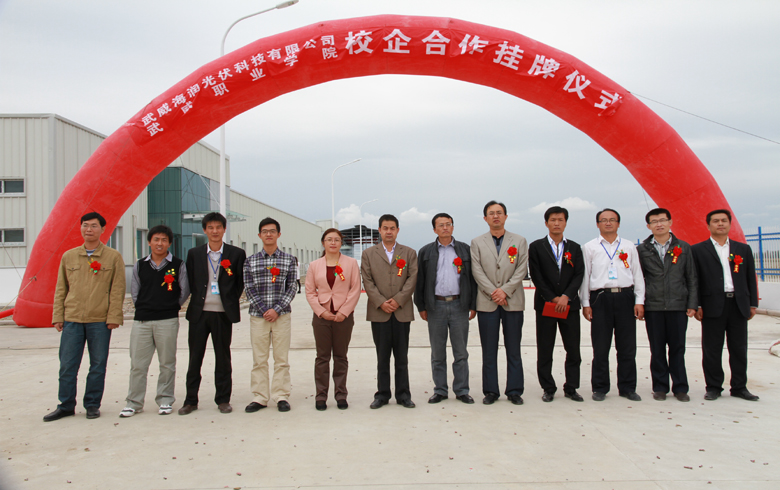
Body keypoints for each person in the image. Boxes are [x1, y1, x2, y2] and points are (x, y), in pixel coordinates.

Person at [44, 212, 126, 422]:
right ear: (80, 228)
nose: (89, 229)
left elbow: (117, 289)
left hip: (99, 321)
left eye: (94, 226)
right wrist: (58, 316)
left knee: (98, 365)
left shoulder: (113, 257)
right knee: (67, 365)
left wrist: (114, 316)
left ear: (102, 229)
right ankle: (65, 405)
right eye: (85, 225)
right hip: (72, 319)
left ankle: (92, 404)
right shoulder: (69, 256)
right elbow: (61, 288)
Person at [179, 212, 246, 415]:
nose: (215, 231)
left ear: (224, 229)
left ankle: (223, 399)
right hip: (199, 314)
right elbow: (191, 280)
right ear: (204, 230)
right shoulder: (194, 253)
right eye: (210, 227)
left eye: (218, 227)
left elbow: (239, 283)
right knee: (195, 357)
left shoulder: (236, 254)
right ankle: (190, 400)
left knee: (223, 357)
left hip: (223, 314)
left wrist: (229, 301)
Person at [120, 225, 190, 417]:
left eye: (164, 240)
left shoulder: (178, 264)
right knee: (138, 364)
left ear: (169, 243)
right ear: (149, 242)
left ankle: (165, 400)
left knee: (167, 363)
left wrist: (169, 306)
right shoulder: (140, 265)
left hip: (167, 320)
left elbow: (184, 291)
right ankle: (134, 402)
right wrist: (145, 307)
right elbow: (135, 291)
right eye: (156, 239)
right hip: (142, 322)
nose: (160, 243)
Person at [692, 209, 759, 401]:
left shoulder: (742, 249)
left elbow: (750, 277)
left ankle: (739, 387)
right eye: (715, 221)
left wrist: (752, 303)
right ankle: (713, 387)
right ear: (708, 225)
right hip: (711, 305)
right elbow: (695, 279)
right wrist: (697, 305)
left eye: (724, 220)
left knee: (739, 348)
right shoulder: (698, 250)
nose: (720, 224)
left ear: (730, 224)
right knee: (712, 349)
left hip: (738, 304)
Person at [580, 208, 645, 402]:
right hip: (600, 298)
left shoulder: (628, 246)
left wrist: (639, 301)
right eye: (604, 220)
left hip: (625, 297)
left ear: (618, 223)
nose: (608, 223)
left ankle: (627, 387)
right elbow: (585, 277)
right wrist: (586, 303)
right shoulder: (589, 247)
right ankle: (600, 387)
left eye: (612, 220)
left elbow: (637, 274)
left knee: (627, 347)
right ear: (597, 224)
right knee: (600, 347)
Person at [414, 213, 477, 405]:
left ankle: (462, 390)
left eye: (448, 224)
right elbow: (420, 281)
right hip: (436, 306)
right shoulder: (426, 252)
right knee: (437, 353)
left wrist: (473, 305)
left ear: (453, 227)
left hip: (459, 305)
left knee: (461, 352)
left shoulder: (464, 250)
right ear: (434, 229)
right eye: (440, 225)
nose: (445, 228)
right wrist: (421, 306)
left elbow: (473, 279)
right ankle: (440, 390)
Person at [471, 200, 528, 405]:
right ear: (485, 218)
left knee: (514, 349)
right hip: (487, 303)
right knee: (489, 350)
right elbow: (477, 270)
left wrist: (505, 291)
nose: (495, 216)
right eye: (491, 213)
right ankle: (491, 391)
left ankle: (514, 390)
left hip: (512, 301)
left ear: (505, 216)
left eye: (499, 212)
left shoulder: (519, 241)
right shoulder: (477, 242)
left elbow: (521, 269)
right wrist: (493, 292)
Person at [637, 208, 697, 402]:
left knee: (678, 348)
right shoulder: (642, 250)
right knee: (657, 349)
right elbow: (638, 279)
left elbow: (691, 277)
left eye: (663, 220)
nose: (659, 224)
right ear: (649, 226)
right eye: (654, 221)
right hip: (653, 306)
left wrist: (692, 303)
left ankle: (680, 388)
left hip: (678, 305)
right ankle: (660, 387)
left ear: (670, 222)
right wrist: (640, 303)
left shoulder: (684, 247)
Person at [527, 206, 585, 403]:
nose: (557, 223)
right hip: (546, 305)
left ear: (566, 222)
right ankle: (548, 387)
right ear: (546, 223)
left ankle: (571, 387)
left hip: (569, 306)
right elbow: (536, 275)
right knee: (545, 348)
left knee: (573, 349)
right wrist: (552, 297)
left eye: (560, 220)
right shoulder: (537, 247)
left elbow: (579, 274)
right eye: (553, 220)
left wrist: (566, 296)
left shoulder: (575, 248)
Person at [361, 214, 418, 409]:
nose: (389, 231)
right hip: (379, 312)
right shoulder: (369, 254)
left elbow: (412, 278)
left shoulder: (409, 253)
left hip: (402, 311)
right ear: (379, 230)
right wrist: (381, 302)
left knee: (402, 357)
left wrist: (398, 300)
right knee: (382, 356)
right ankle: (382, 394)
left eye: (392, 228)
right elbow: (367, 281)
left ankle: (403, 395)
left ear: (398, 230)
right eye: (385, 228)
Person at [244, 217, 298, 413]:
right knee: (259, 359)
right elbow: (248, 288)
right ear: (259, 235)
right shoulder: (250, 261)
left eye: (272, 231)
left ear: (278, 234)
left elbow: (292, 287)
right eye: (265, 231)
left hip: (281, 316)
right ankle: (260, 396)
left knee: (281, 358)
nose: (269, 234)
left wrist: (276, 309)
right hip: (258, 317)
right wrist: (263, 310)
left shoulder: (289, 260)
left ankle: (281, 395)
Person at [305, 228, 361, 410]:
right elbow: (310, 291)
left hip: (343, 317)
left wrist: (344, 311)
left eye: (336, 239)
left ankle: (341, 394)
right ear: (323, 243)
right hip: (322, 317)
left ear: (341, 243)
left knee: (340, 356)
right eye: (329, 239)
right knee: (322, 357)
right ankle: (321, 396)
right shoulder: (314, 265)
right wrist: (321, 312)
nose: (333, 243)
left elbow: (355, 289)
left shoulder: (351, 263)